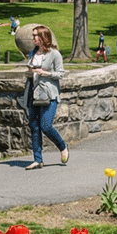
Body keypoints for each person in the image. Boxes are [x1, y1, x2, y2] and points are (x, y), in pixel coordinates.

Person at [23, 25, 69, 170]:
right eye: (33, 35)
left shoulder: (54, 54)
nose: (33, 38)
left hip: (49, 95)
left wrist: (45, 73)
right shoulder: (32, 53)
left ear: (44, 37)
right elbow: (29, 74)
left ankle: (62, 146)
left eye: (36, 35)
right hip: (34, 94)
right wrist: (30, 73)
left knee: (46, 126)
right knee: (34, 127)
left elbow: (61, 73)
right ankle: (38, 159)